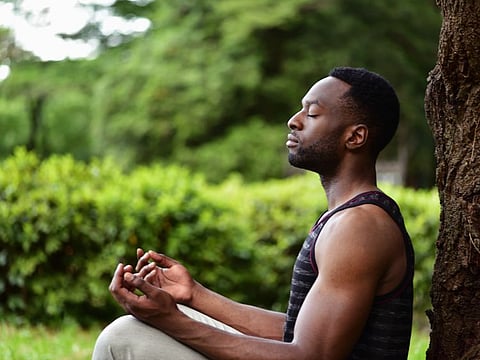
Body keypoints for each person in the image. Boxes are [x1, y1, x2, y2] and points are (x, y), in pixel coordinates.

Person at [92, 67, 414, 360]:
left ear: (355, 137)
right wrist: (193, 295)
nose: (294, 120)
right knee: (135, 330)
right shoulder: (349, 216)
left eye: (312, 113)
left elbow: (310, 356)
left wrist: (172, 320)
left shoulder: (360, 227)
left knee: (123, 338)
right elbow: (297, 332)